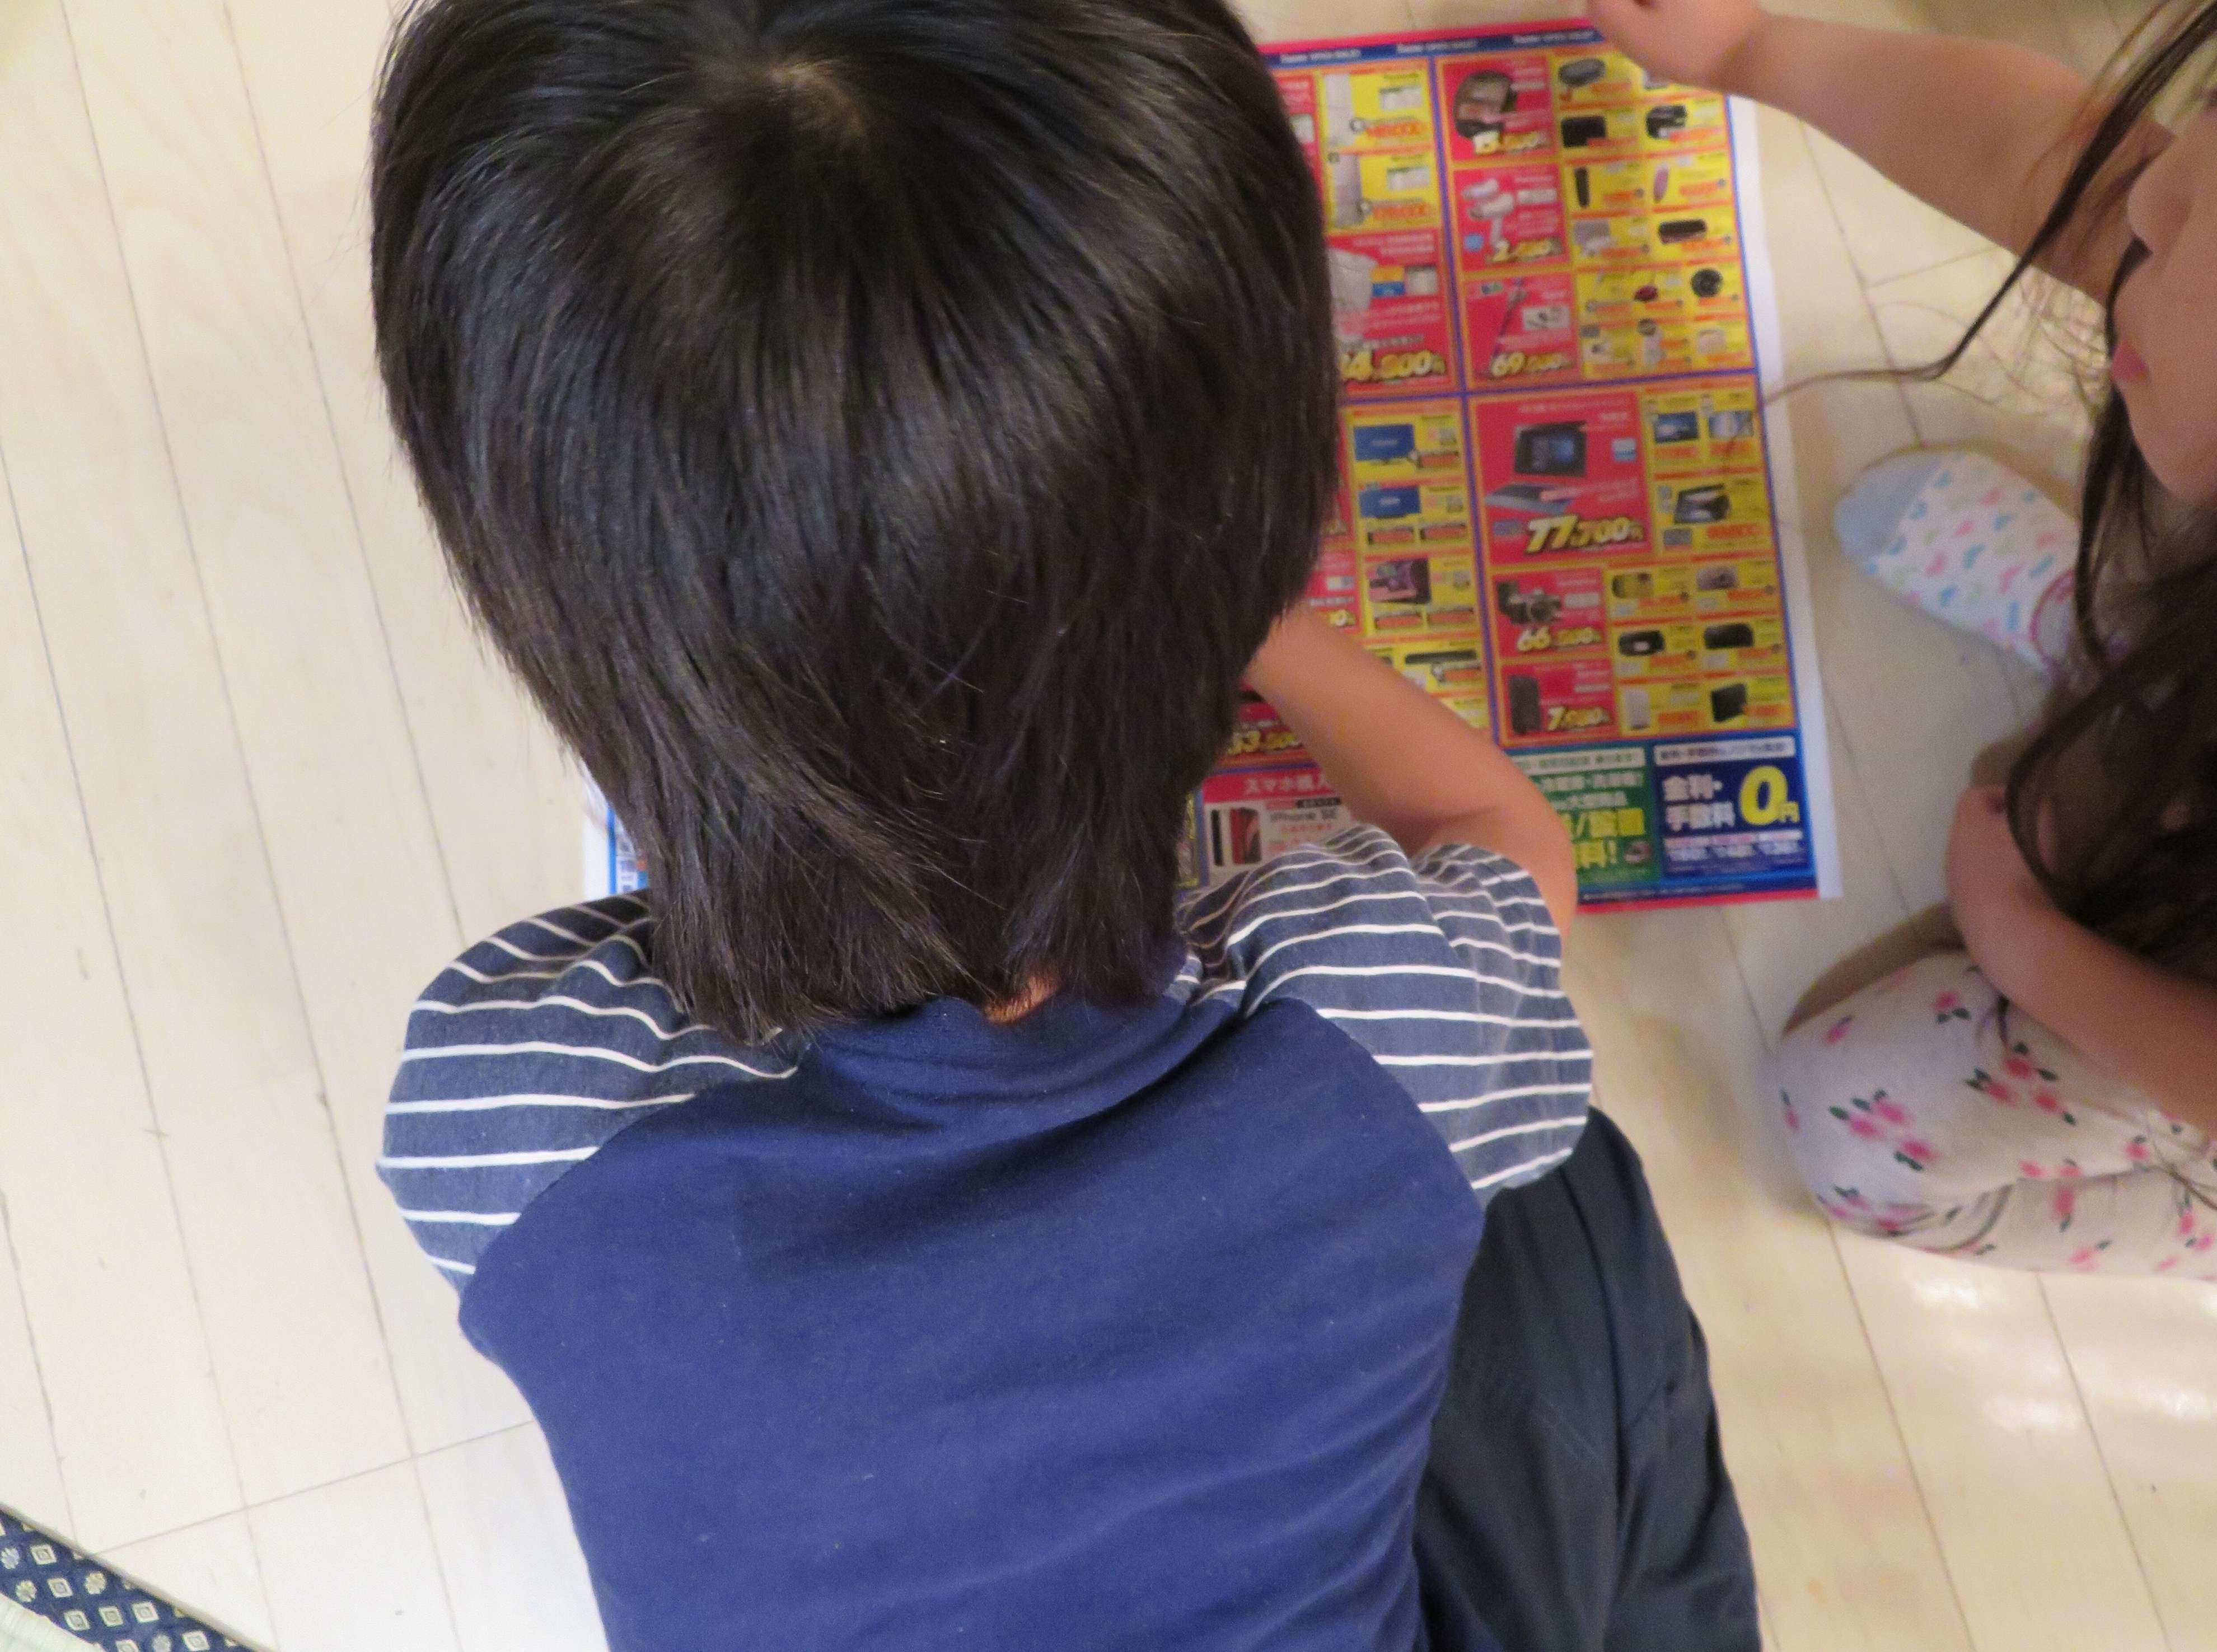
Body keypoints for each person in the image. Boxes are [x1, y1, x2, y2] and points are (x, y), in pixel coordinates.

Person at [368, 0, 1757, 1646]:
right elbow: (1490, 827)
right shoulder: (1386, 1030)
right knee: (1554, 1162)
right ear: (1252, 531)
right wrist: (1210, 588)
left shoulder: (505, 1128)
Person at [1591, 0, 2217, 1275]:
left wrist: (2031, 950)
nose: (2158, 192)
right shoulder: (2200, 266)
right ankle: (2119, 645)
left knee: (1845, 1118)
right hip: (2191, 657)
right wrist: (1745, 51)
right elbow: (2040, 157)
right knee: (2159, 563)